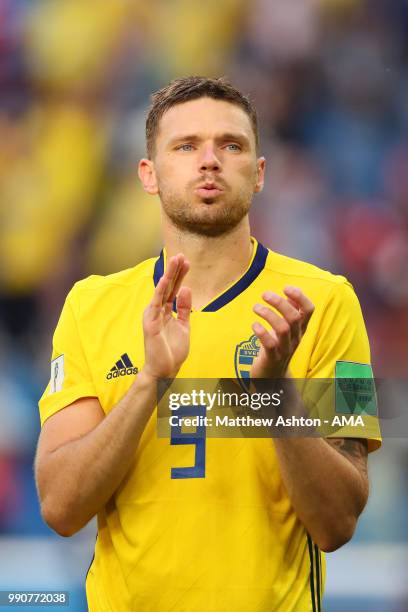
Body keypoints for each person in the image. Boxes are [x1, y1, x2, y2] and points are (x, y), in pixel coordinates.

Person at [36, 76, 380, 612]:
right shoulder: (89, 306)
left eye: (232, 145)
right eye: (186, 146)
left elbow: (339, 522)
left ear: (259, 174)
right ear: (149, 174)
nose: (210, 161)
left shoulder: (329, 302)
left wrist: (274, 395)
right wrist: (150, 380)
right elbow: (59, 507)